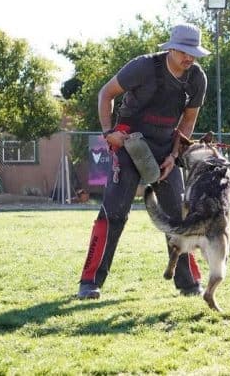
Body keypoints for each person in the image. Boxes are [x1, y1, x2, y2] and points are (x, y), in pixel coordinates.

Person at [77, 23, 209, 300]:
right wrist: (107, 132)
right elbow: (106, 94)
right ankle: (90, 282)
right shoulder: (142, 67)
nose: (189, 58)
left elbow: (188, 121)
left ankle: (188, 283)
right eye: (185, 52)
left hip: (165, 150)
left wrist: (174, 156)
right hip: (128, 145)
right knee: (114, 214)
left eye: (193, 53)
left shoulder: (197, 79)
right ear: (171, 48)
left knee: (178, 218)